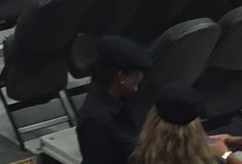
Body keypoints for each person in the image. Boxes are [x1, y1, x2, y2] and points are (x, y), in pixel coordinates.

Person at [75, 35, 150, 164]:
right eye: (137, 74)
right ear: (121, 77)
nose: (141, 78)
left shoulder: (121, 100)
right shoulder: (96, 123)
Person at [129, 83, 219, 163]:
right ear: (195, 126)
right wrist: (226, 154)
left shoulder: (132, 153)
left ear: (152, 117)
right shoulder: (208, 158)